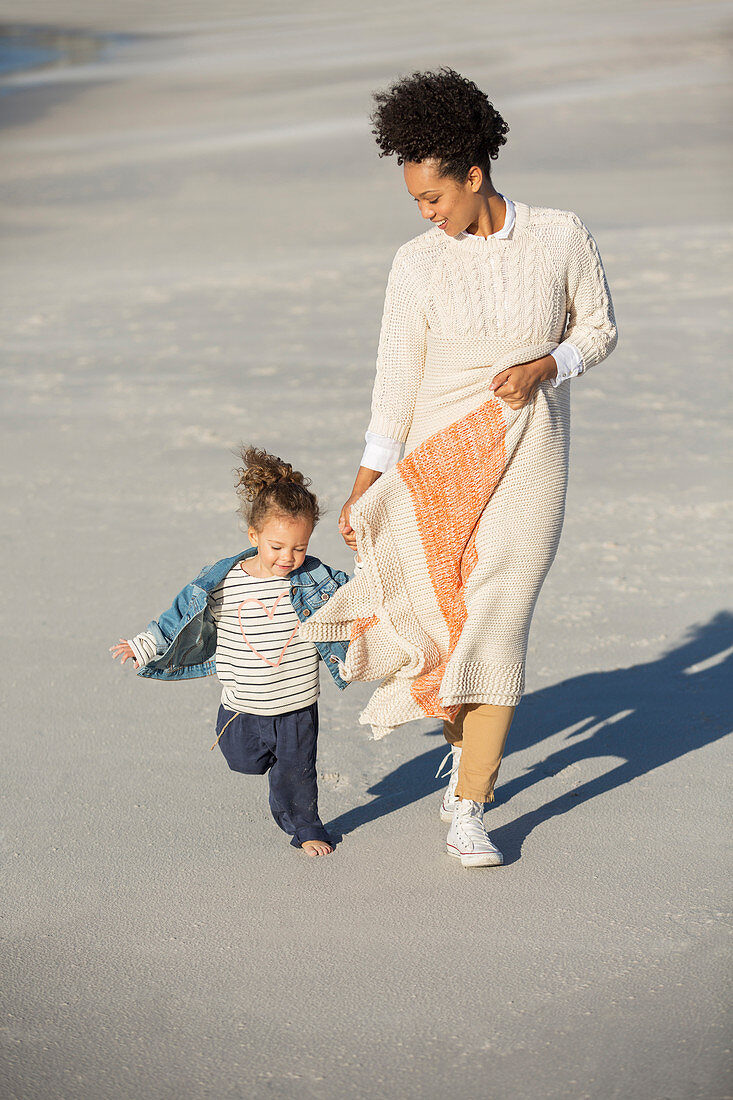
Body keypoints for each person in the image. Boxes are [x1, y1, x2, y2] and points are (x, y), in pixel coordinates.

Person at [300, 69, 617, 867]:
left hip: (530, 453)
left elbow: (601, 329)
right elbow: (393, 379)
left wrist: (549, 365)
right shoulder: (416, 263)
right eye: (415, 202)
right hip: (436, 460)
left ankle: (471, 804)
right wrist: (368, 479)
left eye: (433, 198)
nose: (426, 214)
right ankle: (462, 750)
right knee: (447, 620)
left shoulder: (560, 234)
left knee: (500, 615)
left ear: (474, 175)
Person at [110, 447, 351, 857]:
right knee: (244, 760)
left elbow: (357, 596)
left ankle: (306, 828)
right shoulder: (224, 581)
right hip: (242, 704)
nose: (288, 558)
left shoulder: (316, 578)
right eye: (276, 547)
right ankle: (269, 765)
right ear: (253, 535)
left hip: (296, 705)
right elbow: (182, 615)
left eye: (299, 547)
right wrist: (144, 645)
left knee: (297, 774)